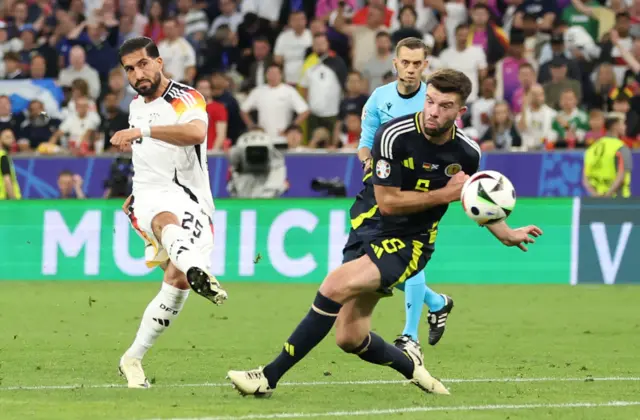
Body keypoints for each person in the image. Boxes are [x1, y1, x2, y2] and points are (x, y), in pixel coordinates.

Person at [227, 69, 543, 397]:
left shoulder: (467, 153)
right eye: (430, 101)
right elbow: (389, 203)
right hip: (370, 227)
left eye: (445, 106)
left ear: (460, 112)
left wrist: (504, 232)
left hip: (412, 243)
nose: (434, 111)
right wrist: (446, 194)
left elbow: (474, 197)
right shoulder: (393, 135)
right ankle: (412, 367)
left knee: (334, 285)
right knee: (349, 337)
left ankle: (267, 376)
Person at [109, 37, 228, 389]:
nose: (137, 73)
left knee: (175, 282)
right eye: (129, 68)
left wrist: (141, 131)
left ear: (159, 62)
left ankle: (132, 357)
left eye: (143, 64)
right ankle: (198, 269)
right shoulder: (136, 105)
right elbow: (148, 155)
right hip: (151, 196)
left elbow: (196, 131)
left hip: (194, 199)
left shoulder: (186, 97)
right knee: (163, 219)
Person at [350, 37, 451, 352]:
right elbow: (364, 143)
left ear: (425, 65)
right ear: (395, 63)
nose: (410, 69)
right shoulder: (379, 98)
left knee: (410, 259)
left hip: (420, 191)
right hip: (386, 190)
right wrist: (369, 162)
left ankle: (411, 336)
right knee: (378, 258)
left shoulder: (433, 101)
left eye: (417, 63)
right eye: (405, 63)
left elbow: (447, 142)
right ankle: (436, 302)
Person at [583, 114, 633, 198]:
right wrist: (608, 195)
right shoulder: (621, 147)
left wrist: (595, 194)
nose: (625, 127)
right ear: (615, 126)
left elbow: (585, 178)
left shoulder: (593, 147)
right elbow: (621, 176)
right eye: (623, 124)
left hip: (597, 197)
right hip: (619, 199)